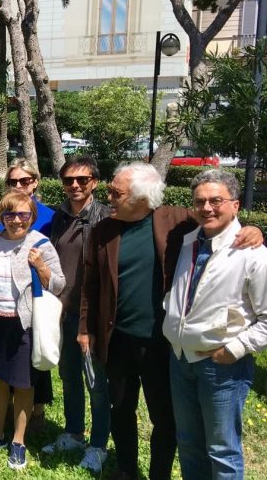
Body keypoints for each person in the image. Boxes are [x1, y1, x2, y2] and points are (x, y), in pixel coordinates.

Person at [78, 162, 262, 480]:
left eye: (116, 192)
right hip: (118, 337)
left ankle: (159, 474)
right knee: (120, 408)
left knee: (166, 417)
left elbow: (220, 218)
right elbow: (90, 284)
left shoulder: (176, 221)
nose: (108, 197)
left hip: (162, 343)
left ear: (141, 196)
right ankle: (125, 469)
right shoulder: (103, 230)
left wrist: (252, 229)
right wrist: (85, 328)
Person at [162, 170, 267, 479]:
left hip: (221, 366)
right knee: (189, 444)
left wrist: (236, 349)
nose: (207, 208)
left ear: (235, 205)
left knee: (222, 451)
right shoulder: (187, 242)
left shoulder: (253, 254)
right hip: (181, 360)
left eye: (216, 201)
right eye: (200, 202)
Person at [0, 190, 65, 469]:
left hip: (23, 324)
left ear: (31, 216)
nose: (16, 220)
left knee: (23, 383)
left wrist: (40, 265)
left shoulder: (41, 244)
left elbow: (58, 285)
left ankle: (18, 440)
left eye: (23, 214)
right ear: (1, 216)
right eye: (9, 214)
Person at [41, 156, 112, 473]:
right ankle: (73, 432)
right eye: (69, 180)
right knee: (69, 377)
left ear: (94, 182)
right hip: (63, 311)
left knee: (96, 383)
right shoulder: (59, 217)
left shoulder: (106, 219)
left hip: (92, 318)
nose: (74, 186)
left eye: (82, 180)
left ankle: (98, 446)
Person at [0, 157, 56, 424]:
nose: (18, 185)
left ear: (35, 182)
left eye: (24, 180)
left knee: (37, 354)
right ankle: (7, 405)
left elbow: (54, 261)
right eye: (13, 181)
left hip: (37, 296)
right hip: (4, 298)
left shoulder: (50, 216)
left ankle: (38, 408)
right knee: (11, 355)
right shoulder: (2, 214)